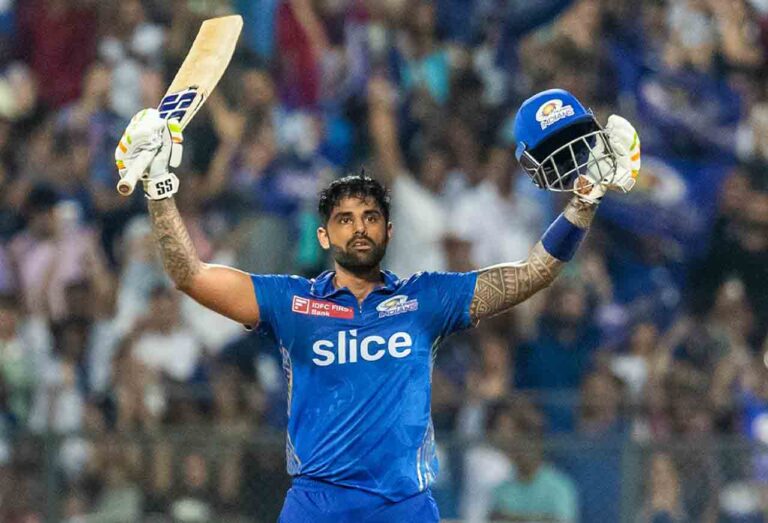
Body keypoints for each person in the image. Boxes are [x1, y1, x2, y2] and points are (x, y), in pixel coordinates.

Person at [113, 88, 641, 522]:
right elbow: (189, 275)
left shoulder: (425, 299)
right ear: (324, 235)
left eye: (371, 218)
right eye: (345, 219)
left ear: (388, 231)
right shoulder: (291, 302)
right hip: (317, 504)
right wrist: (159, 189)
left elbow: (533, 273)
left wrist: (584, 202)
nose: (360, 228)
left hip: (403, 505)